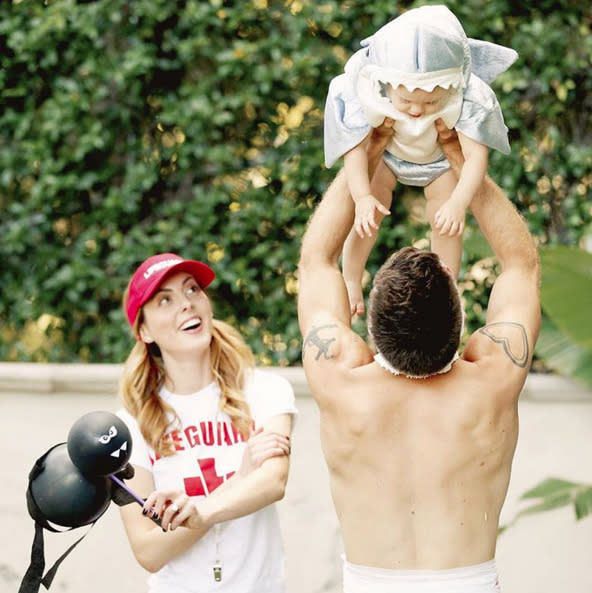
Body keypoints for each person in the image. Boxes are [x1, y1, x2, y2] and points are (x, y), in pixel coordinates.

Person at [297, 119, 540, 592]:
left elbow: (316, 261)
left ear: (368, 325)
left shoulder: (339, 379)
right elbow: (520, 264)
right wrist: (459, 155)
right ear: (461, 321)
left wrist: (366, 159)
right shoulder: (492, 380)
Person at [116, 253, 297, 593]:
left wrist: (196, 514)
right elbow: (148, 551)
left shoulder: (265, 391)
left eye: (192, 290)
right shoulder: (130, 426)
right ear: (144, 330)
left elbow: (272, 482)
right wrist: (237, 481)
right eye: (165, 300)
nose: (186, 304)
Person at [324, 4, 518, 315]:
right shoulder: (368, 90)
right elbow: (355, 151)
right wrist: (361, 197)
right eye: (406, 101)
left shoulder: (465, 96)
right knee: (367, 216)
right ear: (387, 85)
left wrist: (458, 202)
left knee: (446, 222)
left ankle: (446, 290)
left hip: (439, 162)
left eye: (430, 101)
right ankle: (350, 278)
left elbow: (475, 159)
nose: (416, 111)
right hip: (388, 156)